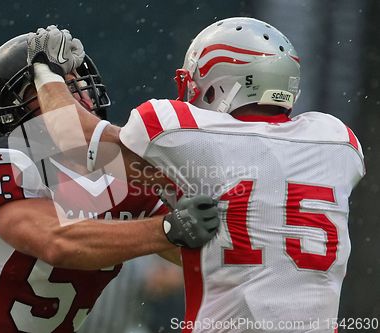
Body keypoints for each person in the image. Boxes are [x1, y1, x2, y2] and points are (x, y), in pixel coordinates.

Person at [26, 17, 365, 333]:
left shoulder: (185, 134)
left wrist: (46, 69)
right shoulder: (338, 141)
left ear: (220, 85)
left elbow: (71, 137)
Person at [0, 32, 218, 333]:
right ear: (13, 108)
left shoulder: (116, 172)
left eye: (76, 83)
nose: (78, 94)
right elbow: (56, 242)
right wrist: (169, 230)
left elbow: (205, 255)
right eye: (54, 85)